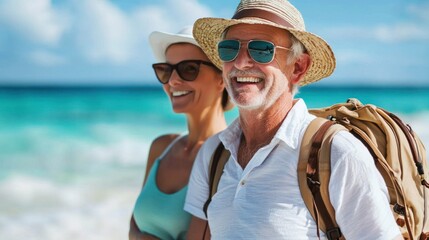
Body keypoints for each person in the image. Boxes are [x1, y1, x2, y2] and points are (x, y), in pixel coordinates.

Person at [184, 0, 403, 239]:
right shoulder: (213, 153)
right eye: (230, 48)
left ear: (298, 67)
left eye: (261, 50)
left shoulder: (337, 153)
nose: (240, 62)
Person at [129, 26, 233, 240]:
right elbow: (133, 227)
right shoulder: (161, 147)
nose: (173, 81)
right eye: (165, 70)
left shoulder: (229, 157)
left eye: (189, 69)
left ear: (222, 77)